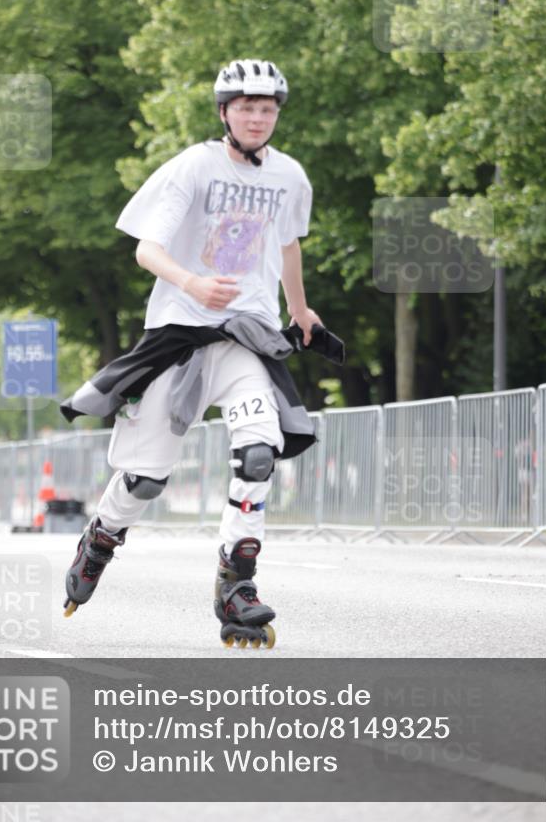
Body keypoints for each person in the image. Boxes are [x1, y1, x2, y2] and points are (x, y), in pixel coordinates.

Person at [62, 59, 342, 648]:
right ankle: (103, 537)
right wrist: (192, 284)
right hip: (181, 337)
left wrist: (300, 311)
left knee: (259, 454)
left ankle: (236, 582)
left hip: (245, 338)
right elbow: (147, 249)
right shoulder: (195, 165)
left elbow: (289, 244)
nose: (258, 118)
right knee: (143, 481)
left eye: (267, 109)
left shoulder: (289, 176)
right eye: (246, 107)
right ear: (224, 112)